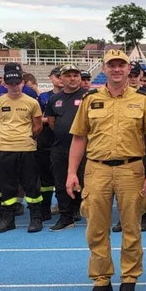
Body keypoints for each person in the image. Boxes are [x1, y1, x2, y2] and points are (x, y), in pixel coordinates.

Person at [67, 50, 146, 291]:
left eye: (121, 65)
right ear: (104, 69)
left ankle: (129, 279)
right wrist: (72, 173)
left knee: (131, 226)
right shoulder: (90, 99)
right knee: (96, 228)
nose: (117, 69)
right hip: (96, 169)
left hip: (131, 169)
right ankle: (102, 281)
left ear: (129, 69)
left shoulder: (142, 100)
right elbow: (79, 137)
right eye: (112, 65)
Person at [114, 61, 146, 232]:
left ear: (141, 75)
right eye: (130, 75)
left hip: (145, 144)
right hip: (126, 145)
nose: (133, 78)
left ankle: (144, 216)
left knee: (144, 183)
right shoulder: (117, 94)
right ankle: (123, 218)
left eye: (136, 75)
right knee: (121, 185)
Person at [0, 63, 44, 233]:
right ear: (5, 84)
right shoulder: (0, 101)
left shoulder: (32, 102)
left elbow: (38, 126)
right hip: (4, 148)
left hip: (27, 148)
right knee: (6, 185)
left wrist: (26, 138)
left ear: (23, 83)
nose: (15, 87)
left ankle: (36, 217)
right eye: (11, 84)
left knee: (31, 184)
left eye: (17, 83)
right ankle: (8, 219)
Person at [44, 65, 88, 230]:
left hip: (86, 148)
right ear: (61, 78)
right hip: (60, 147)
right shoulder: (54, 99)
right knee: (61, 183)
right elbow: (52, 122)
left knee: (86, 182)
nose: (72, 78)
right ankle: (65, 217)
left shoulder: (88, 96)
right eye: (68, 75)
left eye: (75, 75)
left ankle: (83, 211)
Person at [35, 67, 63, 224]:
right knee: (45, 179)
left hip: (64, 141)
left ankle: (66, 208)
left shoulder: (72, 96)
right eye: (57, 76)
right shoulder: (44, 97)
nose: (60, 78)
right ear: (51, 78)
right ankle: (45, 208)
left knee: (63, 176)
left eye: (62, 75)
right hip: (46, 141)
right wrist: (51, 119)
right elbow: (37, 118)